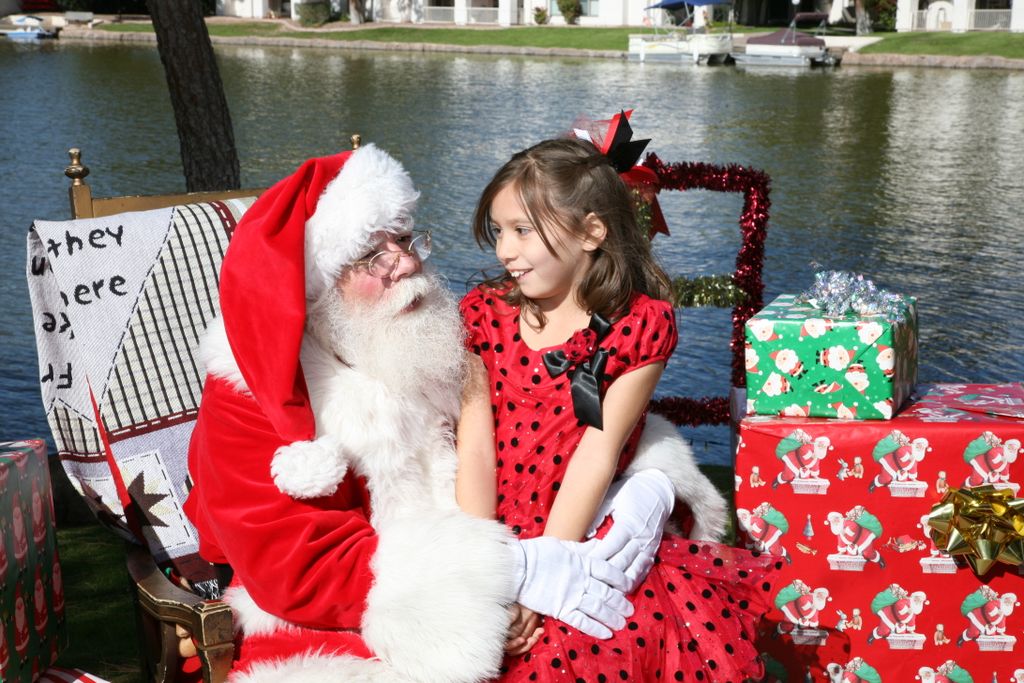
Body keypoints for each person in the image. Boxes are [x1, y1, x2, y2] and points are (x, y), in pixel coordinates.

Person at [183, 143, 726, 682]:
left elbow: (565, 421)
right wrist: (490, 590)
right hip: (360, 622)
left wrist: (649, 483)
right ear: (317, 286)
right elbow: (302, 568)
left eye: (403, 239)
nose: (409, 263)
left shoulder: (435, 334)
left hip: (508, 547)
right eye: (374, 257)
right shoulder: (251, 395)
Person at [457, 135, 776, 682]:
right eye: (498, 231)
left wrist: (545, 573)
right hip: (491, 525)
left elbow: (598, 451)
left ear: (591, 232)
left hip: (580, 530)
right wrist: (483, 568)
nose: (504, 251)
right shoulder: (482, 314)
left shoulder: (640, 325)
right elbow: (475, 442)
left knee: (577, 646)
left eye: (522, 230)